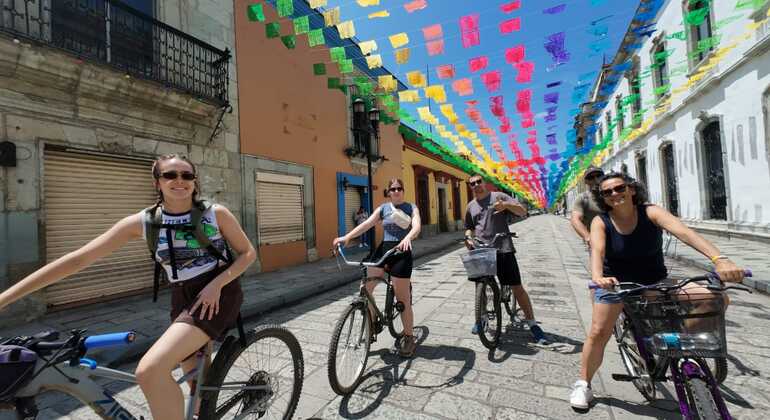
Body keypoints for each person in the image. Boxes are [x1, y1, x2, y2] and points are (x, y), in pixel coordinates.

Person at [0, 154, 257, 420]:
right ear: (157, 182)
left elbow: (248, 253)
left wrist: (217, 284)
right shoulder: (144, 222)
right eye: (170, 175)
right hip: (182, 295)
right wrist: (5, 298)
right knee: (197, 382)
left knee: (151, 370)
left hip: (218, 293)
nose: (179, 180)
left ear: (194, 181)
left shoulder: (215, 214)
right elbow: (79, 259)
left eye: (187, 175)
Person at [569, 172, 744, 410]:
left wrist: (719, 259)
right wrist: (598, 277)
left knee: (716, 298)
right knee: (599, 331)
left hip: (654, 280)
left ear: (631, 189)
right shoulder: (601, 221)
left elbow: (685, 233)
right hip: (615, 283)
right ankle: (584, 383)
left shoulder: (651, 212)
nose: (614, 194)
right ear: (602, 197)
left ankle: (679, 343)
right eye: (607, 192)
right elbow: (597, 251)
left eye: (619, 188)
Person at [333, 178, 421, 357]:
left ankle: (409, 337)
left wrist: (408, 237)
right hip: (384, 250)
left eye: (399, 188)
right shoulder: (383, 209)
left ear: (403, 191)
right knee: (365, 287)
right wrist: (347, 237)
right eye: (393, 189)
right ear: (388, 192)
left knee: (402, 300)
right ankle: (373, 322)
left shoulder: (411, 207)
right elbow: (366, 224)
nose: (396, 191)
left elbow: (417, 226)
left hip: (402, 251)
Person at [463, 174, 547, 344]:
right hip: (482, 250)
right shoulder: (470, 206)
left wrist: (506, 205)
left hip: (503, 248)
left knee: (516, 286)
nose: (476, 185)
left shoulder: (498, 196)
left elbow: (523, 211)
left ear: (484, 183)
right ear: (470, 187)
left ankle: (532, 324)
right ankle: (482, 318)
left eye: (479, 181)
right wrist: (468, 238)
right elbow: (469, 228)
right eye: (472, 183)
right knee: (480, 287)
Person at [570, 166, 605, 249]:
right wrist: (588, 237)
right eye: (591, 178)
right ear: (586, 181)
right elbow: (575, 219)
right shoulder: (583, 198)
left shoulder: (613, 193)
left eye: (599, 176)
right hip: (598, 242)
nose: (596, 180)